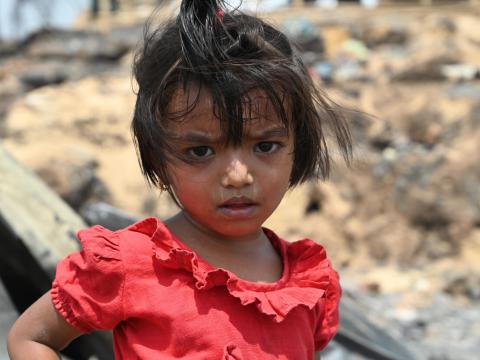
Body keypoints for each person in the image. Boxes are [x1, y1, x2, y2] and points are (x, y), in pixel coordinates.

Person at [7, 0, 352, 358]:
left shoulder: (308, 283)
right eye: (201, 152)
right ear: (158, 158)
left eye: (265, 145)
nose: (238, 176)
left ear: (300, 146)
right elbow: (32, 338)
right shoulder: (135, 264)